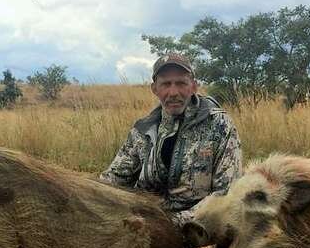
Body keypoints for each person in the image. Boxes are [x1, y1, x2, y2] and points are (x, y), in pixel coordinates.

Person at [99, 53, 243, 230]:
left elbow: (226, 194)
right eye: (166, 84)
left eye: (181, 83)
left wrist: (170, 224)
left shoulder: (220, 125)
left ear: (193, 86)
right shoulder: (142, 130)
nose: (173, 93)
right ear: (155, 89)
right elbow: (113, 180)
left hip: (196, 227)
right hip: (143, 222)